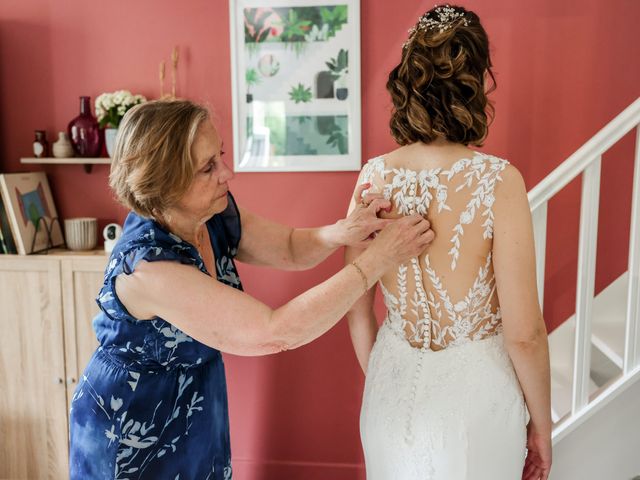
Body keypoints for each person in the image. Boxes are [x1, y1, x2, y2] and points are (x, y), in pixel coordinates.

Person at [67, 99, 434, 479]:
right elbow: (274, 332)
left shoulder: (208, 216)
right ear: (164, 182)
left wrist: (343, 231)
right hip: (129, 424)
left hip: (192, 406)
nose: (227, 172)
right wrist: (377, 261)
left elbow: (290, 247)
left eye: (220, 156)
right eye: (208, 167)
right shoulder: (150, 269)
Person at [345, 5, 552, 480]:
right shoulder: (499, 181)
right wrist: (541, 428)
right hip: (475, 406)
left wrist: (384, 377)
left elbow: (356, 306)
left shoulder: (374, 176)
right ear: (476, 81)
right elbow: (525, 333)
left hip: (390, 395)